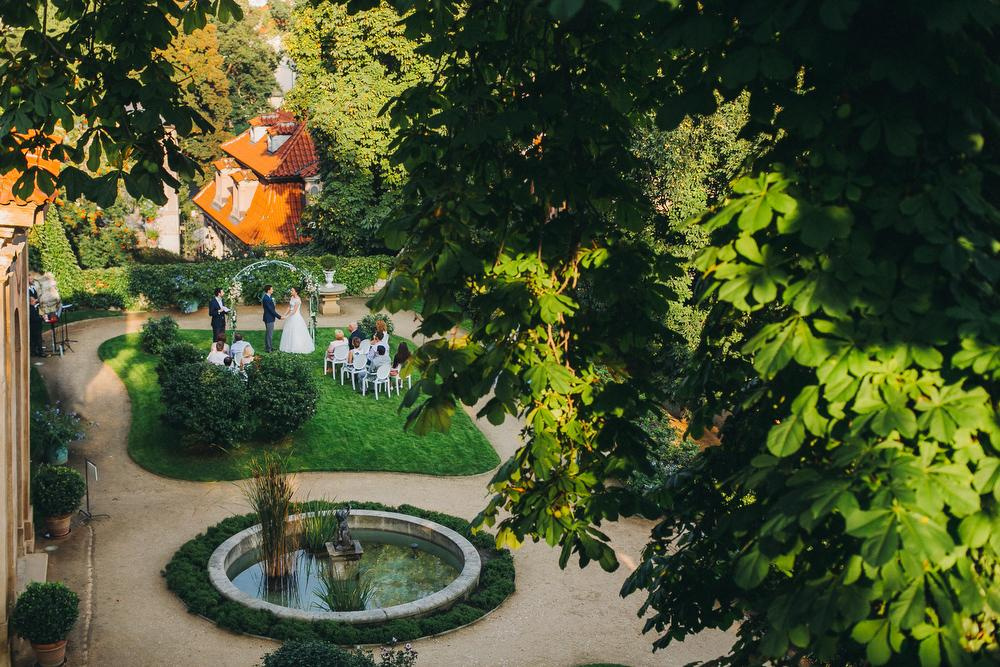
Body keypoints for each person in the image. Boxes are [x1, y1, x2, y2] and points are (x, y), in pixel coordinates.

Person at [278, 286, 315, 354]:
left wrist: (286, 316)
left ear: (296, 292)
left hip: (295, 317)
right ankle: (288, 345)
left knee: (296, 331)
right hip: (290, 316)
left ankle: (297, 346)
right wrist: (284, 314)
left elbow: (294, 311)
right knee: (289, 331)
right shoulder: (292, 297)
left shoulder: (298, 300)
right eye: (291, 290)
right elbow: (289, 307)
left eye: (292, 290)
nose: (291, 291)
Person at [262, 285, 281, 352]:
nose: (273, 290)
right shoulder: (266, 298)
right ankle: (269, 349)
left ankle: (268, 347)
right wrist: (279, 317)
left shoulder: (269, 297)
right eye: (272, 289)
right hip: (268, 318)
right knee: (269, 334)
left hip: (270, 317)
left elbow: (272, 307)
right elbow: (271, 310)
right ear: (268, 290)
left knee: (268, 333)